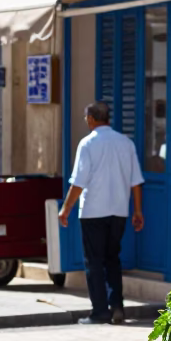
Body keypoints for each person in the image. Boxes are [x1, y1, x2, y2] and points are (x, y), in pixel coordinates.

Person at [58, 101, 144, 325]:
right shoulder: (126, 143)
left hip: (93, 211)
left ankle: (100, 311)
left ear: (91, 119)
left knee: (94, 262)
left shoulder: (87, 144)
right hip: (118, 211)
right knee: (112, 259)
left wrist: (66, 208)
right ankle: (117, 306)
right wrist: (137, 210)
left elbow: (78, 182)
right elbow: (136, 182)